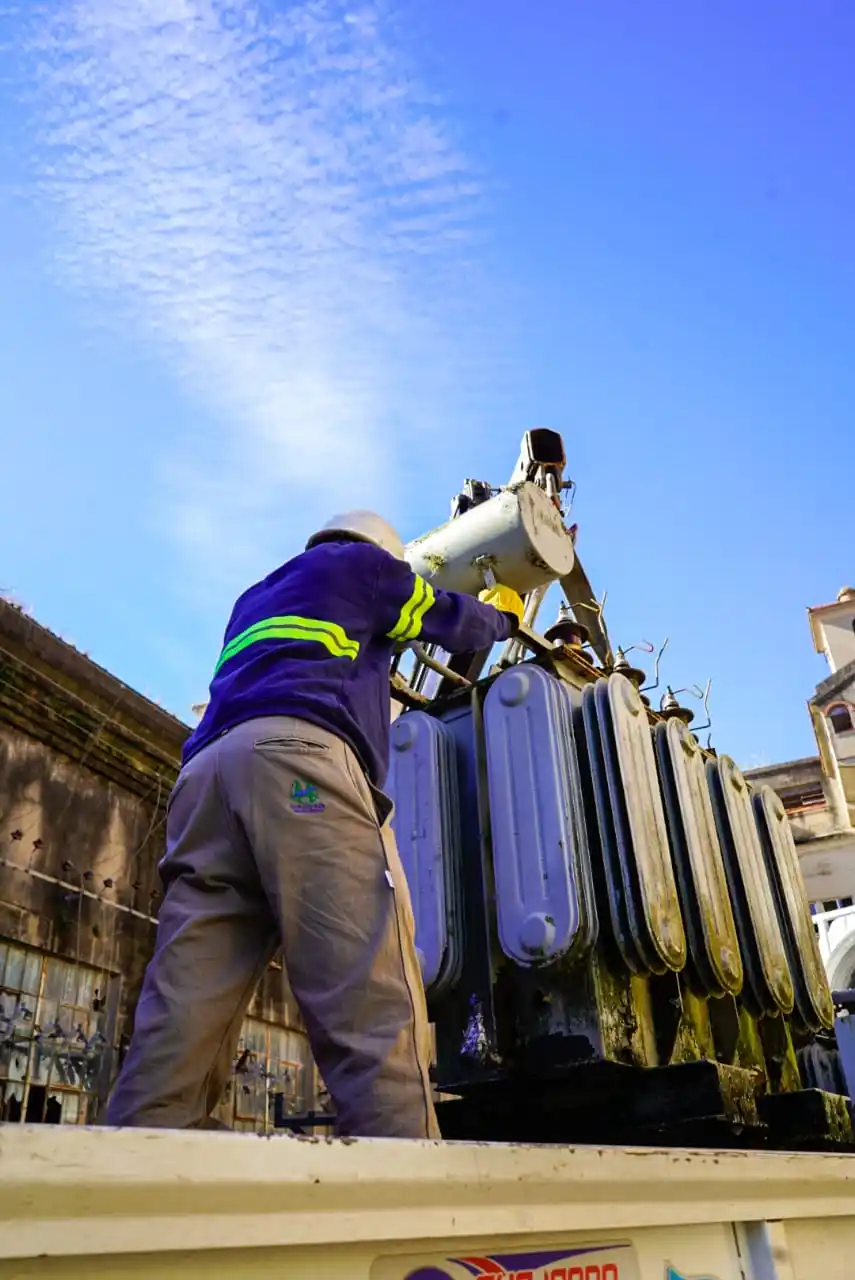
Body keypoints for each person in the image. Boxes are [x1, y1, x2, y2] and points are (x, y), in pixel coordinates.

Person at [105, 510, 524, 1138]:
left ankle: (143, 1158)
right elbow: (447, 620)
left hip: (205, 780)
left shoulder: (255, 597)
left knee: (187, 997)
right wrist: (503, 616)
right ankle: (407, 1173)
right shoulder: (365, 567)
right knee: (367, 992)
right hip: (298, 766)